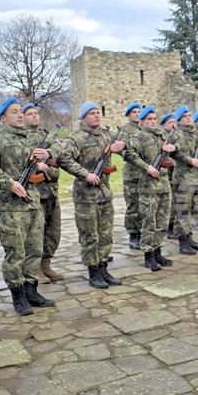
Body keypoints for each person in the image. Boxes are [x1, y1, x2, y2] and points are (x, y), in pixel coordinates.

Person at [0, 98, 55, 316]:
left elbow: (56, 152)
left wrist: (45, 160)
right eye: (14, 112)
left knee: (35, 250)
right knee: (15, 253)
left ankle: (31, 291)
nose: (20, 115)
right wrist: (8, 182)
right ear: (3, 117)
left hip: (33, 202)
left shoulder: (32, 137)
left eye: (21, 111)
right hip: (11, 207)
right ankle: (18, 295)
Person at [58, 101, 126, 288]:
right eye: (92, 113)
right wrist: (85, 174)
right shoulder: (75, 138)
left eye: (98, 112)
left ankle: (103, 269)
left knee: (106, 235)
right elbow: (63, 157)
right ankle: (93, 273)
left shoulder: (106, 134)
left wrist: (123, 144)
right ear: (83, 117)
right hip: (86, 196)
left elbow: (127, 141)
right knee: (90, 236)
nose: (97, 115)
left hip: (104, 193)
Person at [125, 106, 176, 269]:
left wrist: (173, 149)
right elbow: (129, 154)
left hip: (164, 184)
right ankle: (148, 255)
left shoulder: (162, 135)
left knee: (162, 220)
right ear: (141, 121)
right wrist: (146, 167)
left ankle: (157, 252)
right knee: (149, 221)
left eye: (154, 119)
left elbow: (174, 152)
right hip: (148, 187)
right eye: (149, 119)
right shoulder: (138, 137)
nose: (153, 122)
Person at [23, 103, 63, 282]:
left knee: (53, 232)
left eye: (36, 113)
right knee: (36, 234)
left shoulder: (46, 137)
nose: (34, 116)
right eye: (30, 114)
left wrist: (48, 152)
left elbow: (57, 150)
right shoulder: (23, 138)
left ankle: (46, 264)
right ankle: (35, 268)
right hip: (34, 194)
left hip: (51, 192)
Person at [171, 105, 198, 255]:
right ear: (179, 119)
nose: (188, 117)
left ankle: (189, 237)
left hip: (196, 176)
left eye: (189, 115)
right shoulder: (175, 134)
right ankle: (182, 241)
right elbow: (175, 152)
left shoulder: (194, 133)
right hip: (183, 177)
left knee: (195, 208)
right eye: (185, 115)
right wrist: (190, 160)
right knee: (183, 210)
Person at [120, 102, 144, 250]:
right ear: (128, 115)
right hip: (132, 175)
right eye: (134, 112)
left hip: (146, 175)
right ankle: (133, 235)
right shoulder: (125, 131)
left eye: (138, 111)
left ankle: (143, 232)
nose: (137, 114)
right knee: (133, 205)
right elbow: (124, 152)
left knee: (145, 205)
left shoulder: (145, 129)